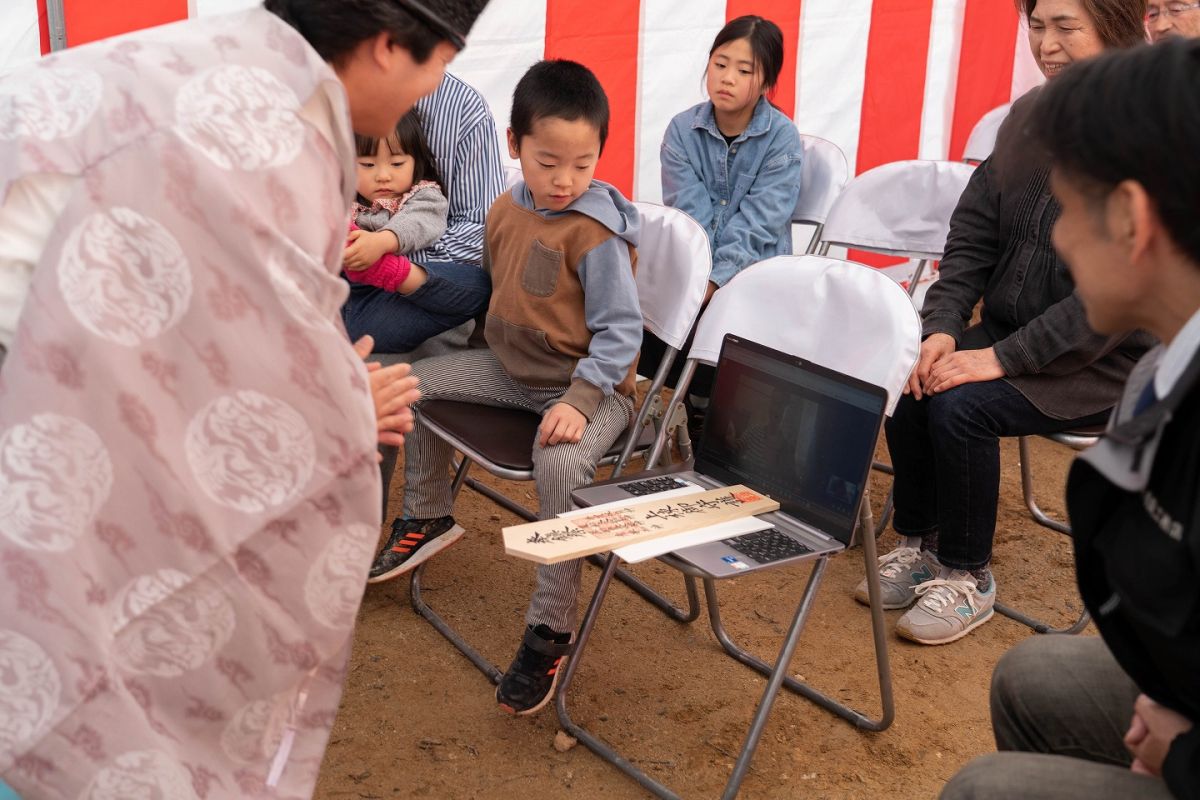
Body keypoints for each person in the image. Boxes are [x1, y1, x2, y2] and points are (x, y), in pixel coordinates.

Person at [0, 0, 487, 797]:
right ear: (392, 46)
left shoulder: (222, 56)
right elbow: (224, 394)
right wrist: (342, 406)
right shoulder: (266, 133)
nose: (438, 85)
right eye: (442, 60)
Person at [941, 38, 1200, 800]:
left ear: (1129, 219)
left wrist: (1184, 751)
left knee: (982, 788)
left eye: (1068, 204)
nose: (1054, 236)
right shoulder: (1170, 370)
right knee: (1034, 672)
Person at [854, 0, 1153, 645]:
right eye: (1037, 25)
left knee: (965, 408)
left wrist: (1002, 358)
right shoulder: (1029, 117)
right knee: (916, 373)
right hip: (1021, 330)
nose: (1046, 44)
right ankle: (924, 540)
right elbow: (973, 230)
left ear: (1118, 25)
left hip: (1106, 356)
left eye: (1066, 26)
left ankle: (967, 574)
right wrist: (941, 323)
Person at [366, 59, 642, 717]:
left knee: (561, 461)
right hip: (510, 371)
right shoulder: (503, 210)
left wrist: (579, 402)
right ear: (515, 146)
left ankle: (551, 627)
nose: (565, 180)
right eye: (549, 162)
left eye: (583, 163)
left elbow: (622, 333)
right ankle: (428, 511)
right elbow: (492, 298)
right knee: (411, 382)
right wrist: (464, 368)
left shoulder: (597, 232)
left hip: (586, 387)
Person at [642, 15, 803, 426]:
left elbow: (759, 226)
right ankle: (699, 407)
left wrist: (713, 284)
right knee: (635, 314)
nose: (726, 78)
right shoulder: (682, 131)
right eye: (720, 63)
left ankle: (710, 412)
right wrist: (699, 282)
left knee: (707, 319)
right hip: (697, 275)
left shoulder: (782, 138)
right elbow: (688, 218)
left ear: (766, 82)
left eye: (744, 70)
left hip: (756, 276)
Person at [340, 108, 491, 353]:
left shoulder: (423, 195)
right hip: (342, 304)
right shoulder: (343, 200)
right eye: (367, 164)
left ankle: (385, 270)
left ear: (415, 162)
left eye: (397, 163)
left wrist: (381, 243)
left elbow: (418, 221)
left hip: (389, 302)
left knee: (479, 286)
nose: (383, 175)